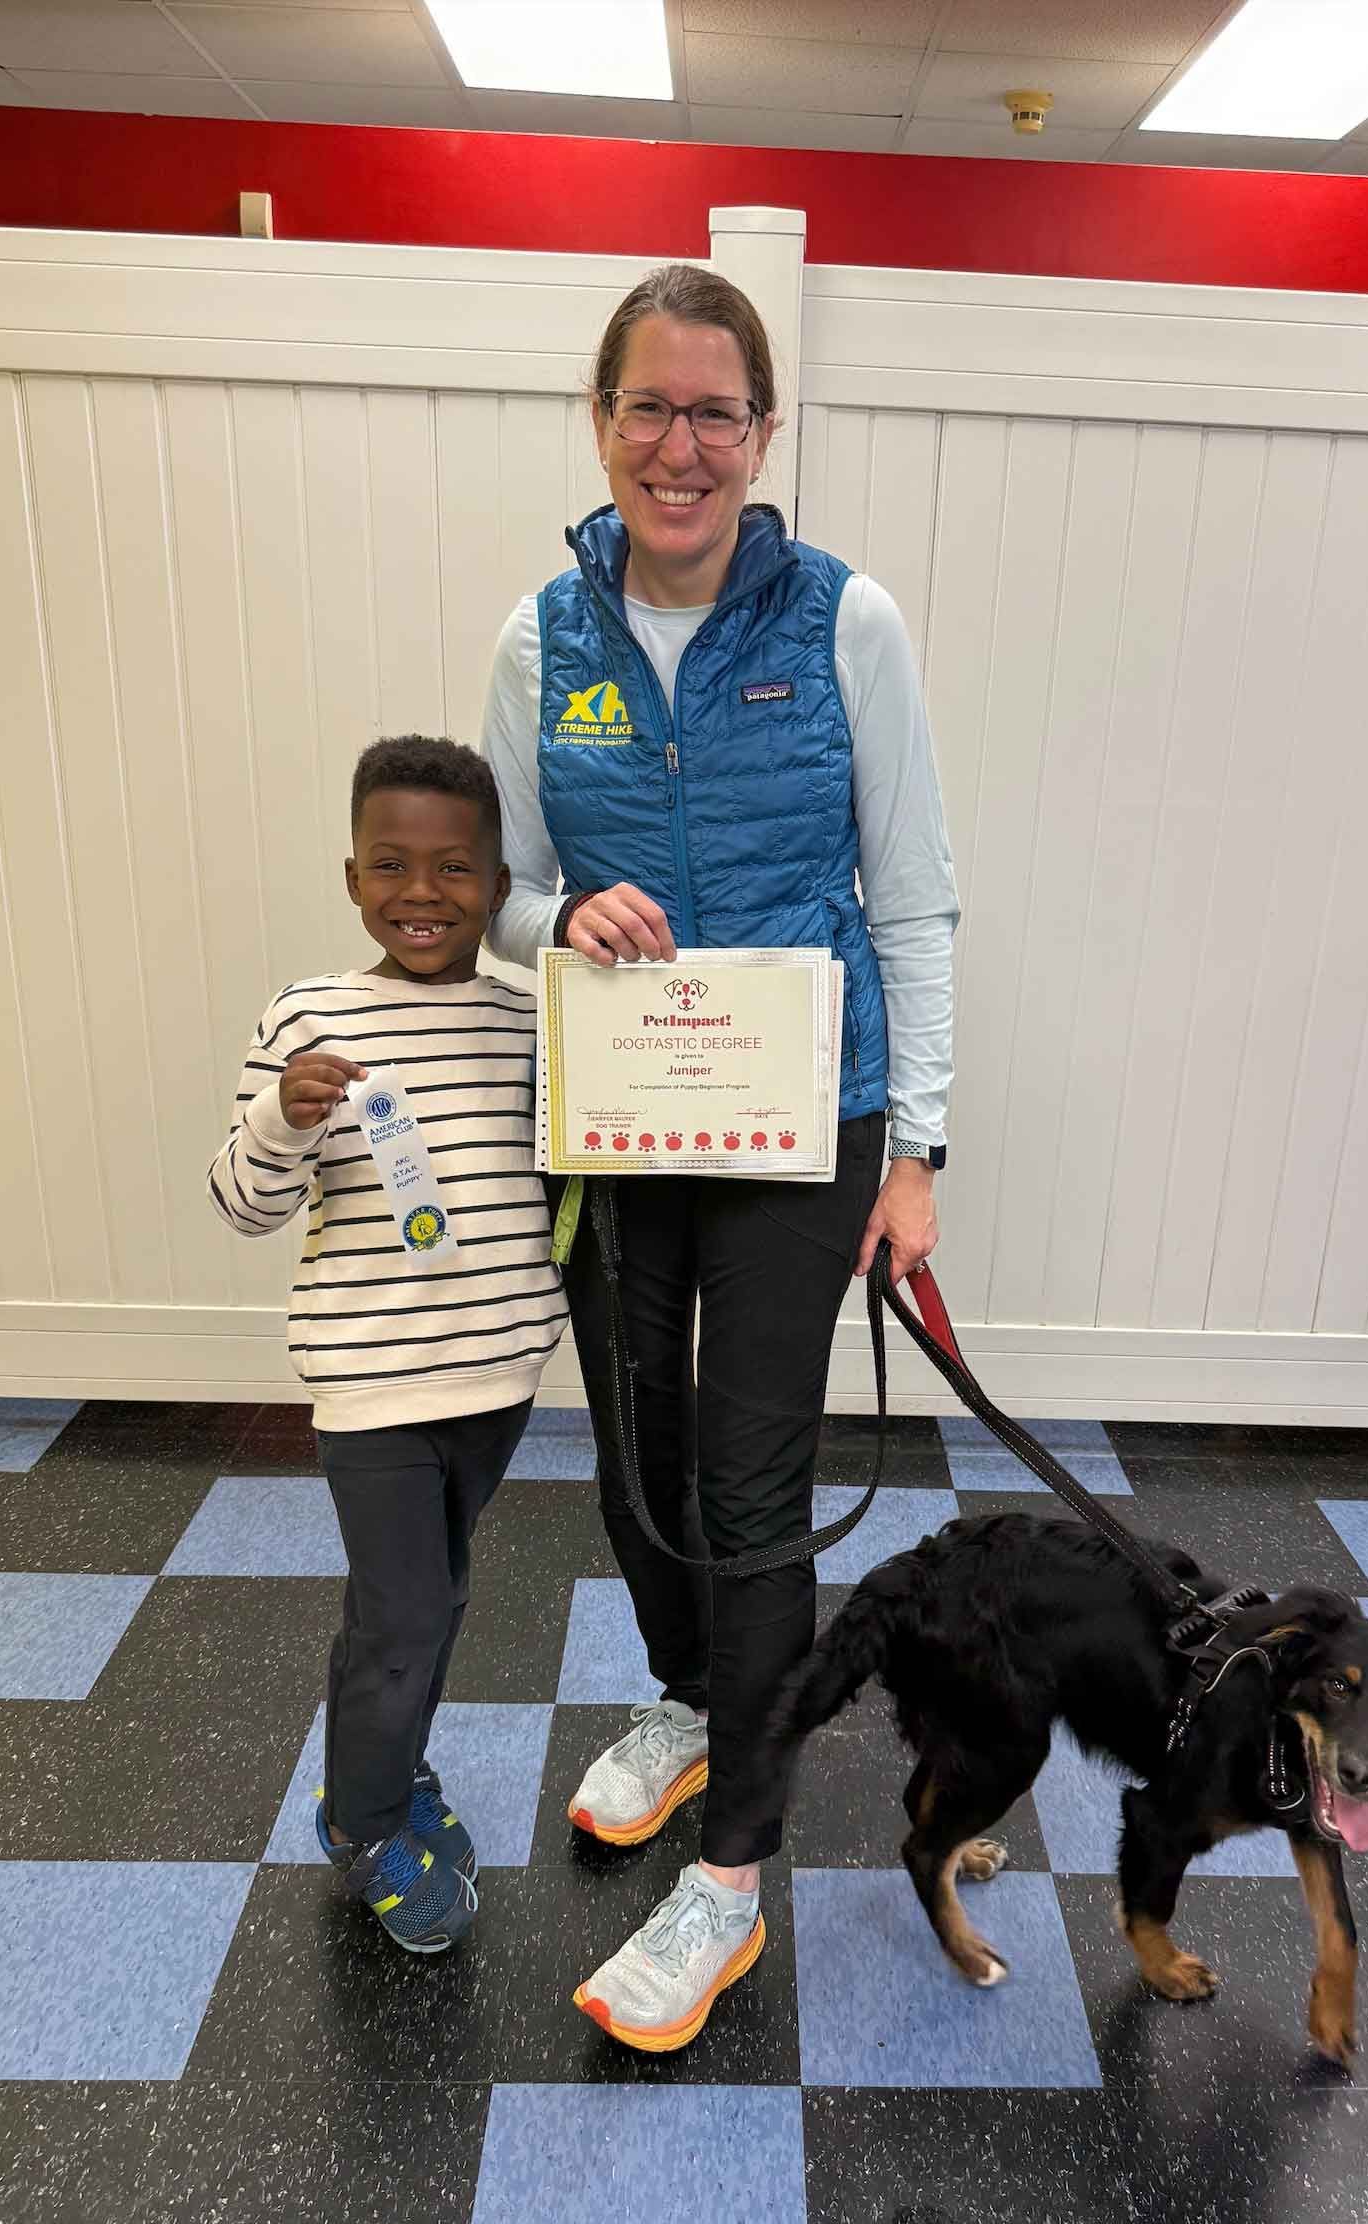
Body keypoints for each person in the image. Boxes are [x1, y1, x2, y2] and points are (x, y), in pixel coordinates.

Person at [483, 263, 959, 2049]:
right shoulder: (541, 638)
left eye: (715, 411)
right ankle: (692, 1700)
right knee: (635, 1461)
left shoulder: (847, 625)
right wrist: (558, 912)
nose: (680, 447)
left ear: (766, 432)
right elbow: (497, 887)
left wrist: (914, 1150)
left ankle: (734, 1882)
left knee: (755, 1491)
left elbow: (911, 897)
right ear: (600, 423)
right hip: (613, 1122)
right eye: (648, 407)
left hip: (794, 1123)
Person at [207, 736, 567, 1954]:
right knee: (404, 1610)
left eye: (456, 867)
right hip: (369, 1381)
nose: (424, 891)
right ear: (350, 875)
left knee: (427, 1596)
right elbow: (241, 1203)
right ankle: (362, 1822)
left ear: (498, 879)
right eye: (392, 864)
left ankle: (391, 1770)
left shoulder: (532, 1012)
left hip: (499, 1369)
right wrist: (281, 1115)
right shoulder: (309, 1017)